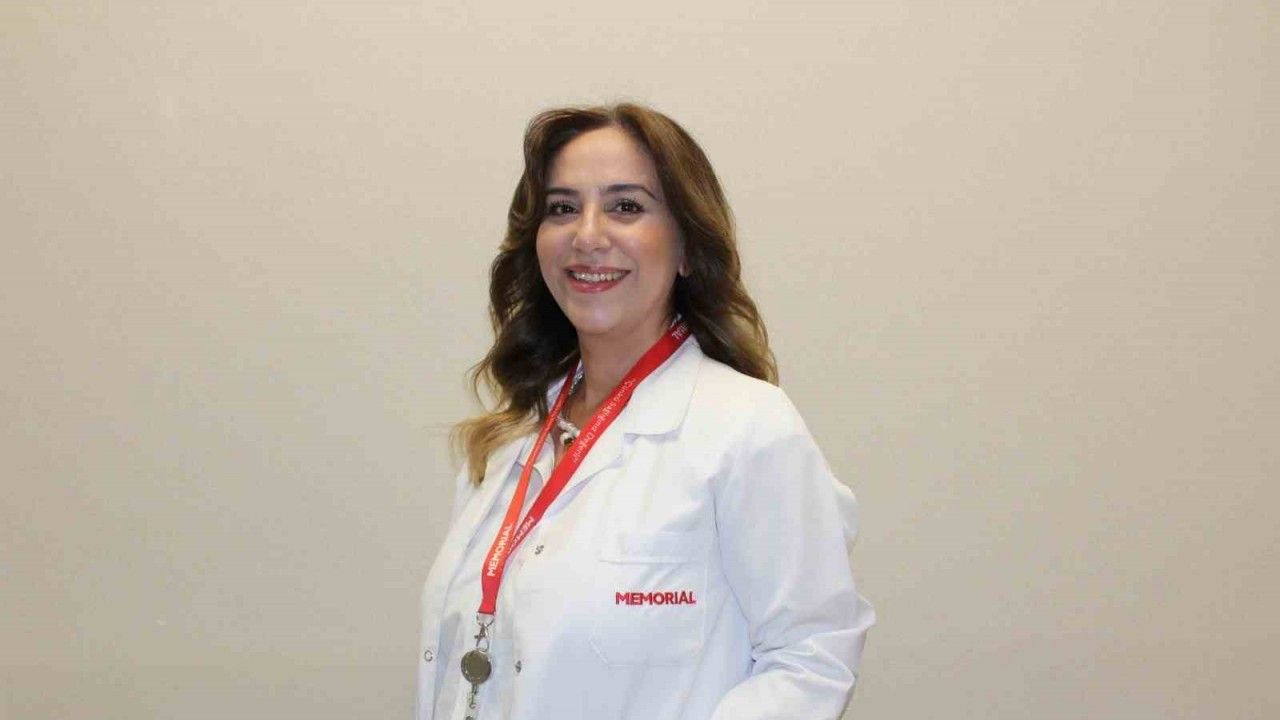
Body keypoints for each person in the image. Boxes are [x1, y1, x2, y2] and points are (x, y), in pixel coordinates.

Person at [417, 103, 874, 720]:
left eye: (626, 206)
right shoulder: (508, 441)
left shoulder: (747, 428)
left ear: (686, 247)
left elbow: (811, 657)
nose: (587, 235)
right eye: (562, 208)